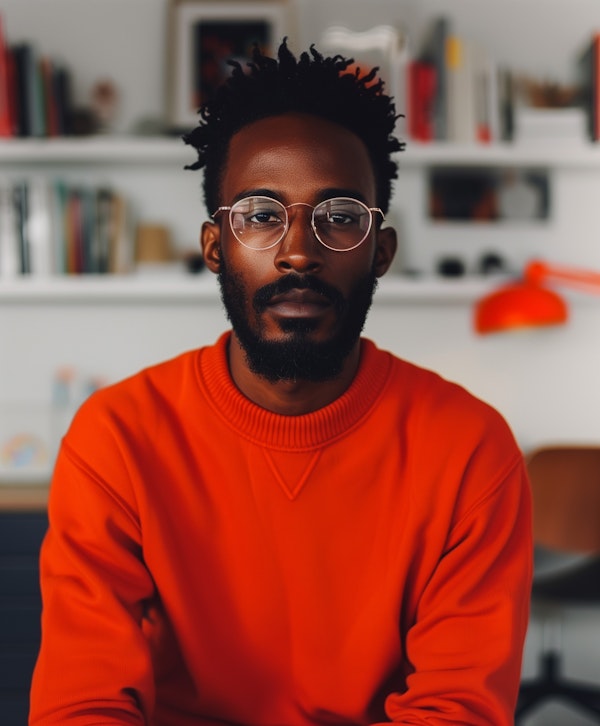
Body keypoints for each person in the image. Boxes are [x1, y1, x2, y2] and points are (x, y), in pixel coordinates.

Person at [30, 41, 532, 725]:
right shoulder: (116, 439)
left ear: (380, 250)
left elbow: (457, 712)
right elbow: (81, 706)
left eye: (342, 218)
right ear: (216, 247)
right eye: (262, 215)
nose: (299, 251)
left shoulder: (470, 450)